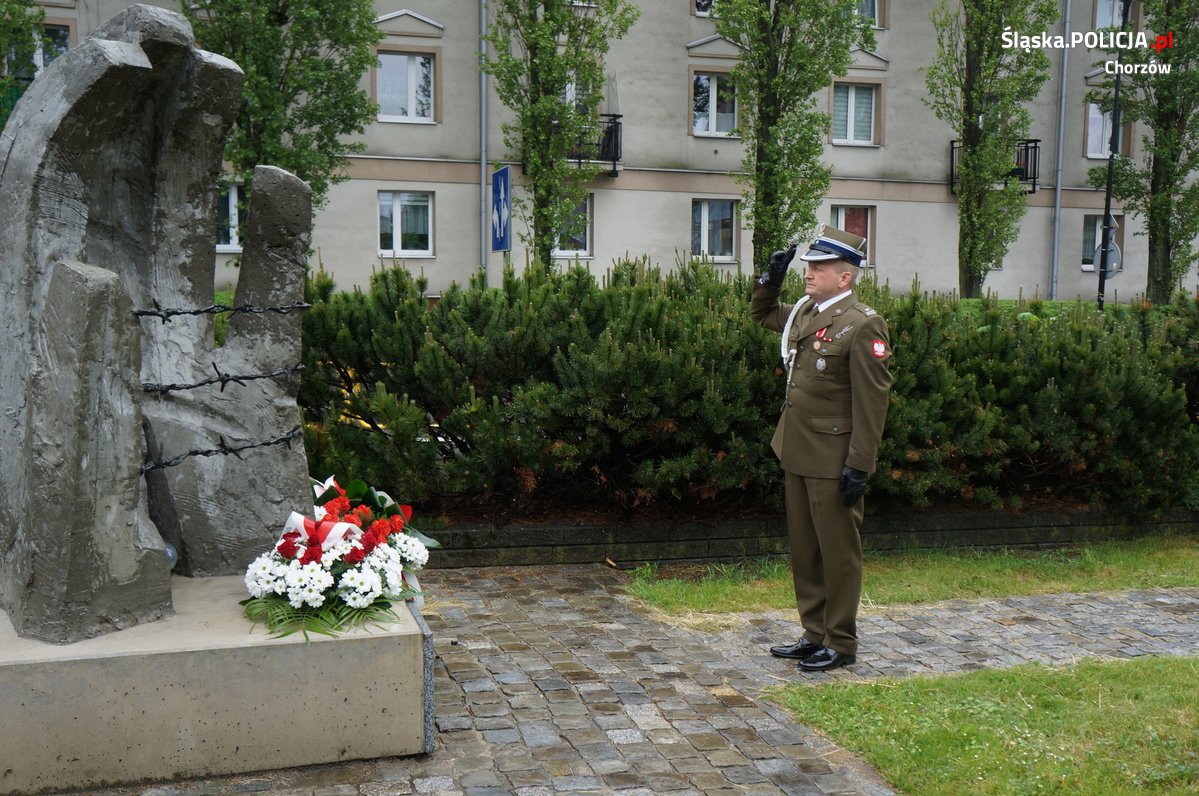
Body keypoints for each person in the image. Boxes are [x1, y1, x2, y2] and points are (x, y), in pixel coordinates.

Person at [750, 224, 892, 672]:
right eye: (808, 266)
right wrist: (769, 283)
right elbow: (763, 315)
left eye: (819, 267)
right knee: (805, 548)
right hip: (796, 449)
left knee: (838, 552)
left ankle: (841, 641)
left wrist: (860, 464)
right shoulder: (806, 312)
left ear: (844, 276)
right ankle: (814, 633)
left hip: (834, 459)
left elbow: (873, 402)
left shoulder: (863, 323)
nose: (808, 273)